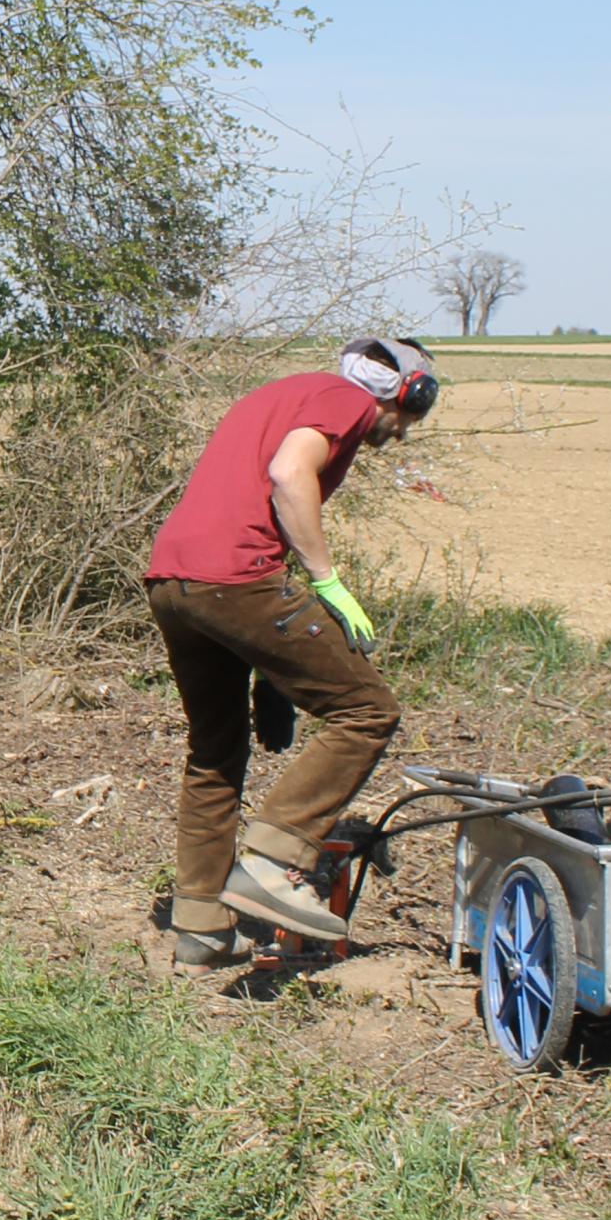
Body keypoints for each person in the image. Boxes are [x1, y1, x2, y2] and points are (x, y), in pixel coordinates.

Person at [143, 338, 439, 965]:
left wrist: (270, 678)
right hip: (235, 576)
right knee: (366, 711)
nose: (405, 434)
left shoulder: (288, 392)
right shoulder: (348, 403)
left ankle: (199, 927)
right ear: (404, 392)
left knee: (216, 753)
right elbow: (287, 474)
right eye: (415, 413)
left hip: (173, 580)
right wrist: (326, 579)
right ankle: (274, 862)